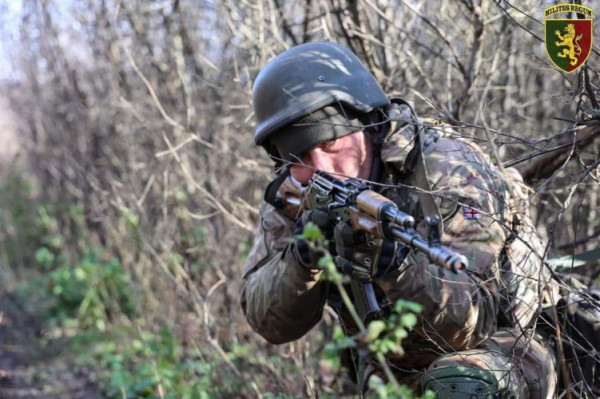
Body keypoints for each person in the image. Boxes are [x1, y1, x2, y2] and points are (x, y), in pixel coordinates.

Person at [241, 41, 558, 398]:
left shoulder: (446, 169)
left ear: (367, 125)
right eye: (300, 155)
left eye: (331, 144)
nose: (323, 169)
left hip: (508, 347)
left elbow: (472, 323)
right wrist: (302, 259)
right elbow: (267, 322)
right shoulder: (295, 192)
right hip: (394, 363)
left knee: (461, 385)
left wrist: (398, 268)